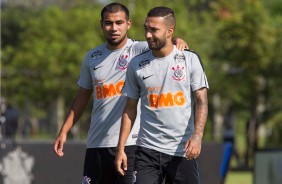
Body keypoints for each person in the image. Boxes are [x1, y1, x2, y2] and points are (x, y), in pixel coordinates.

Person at [53, 3, 188, 184]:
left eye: (119, 23)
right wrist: (64, 131)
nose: (114, 28)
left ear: (128, 24)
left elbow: (162, 40)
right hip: (96, 143)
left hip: (130, 145)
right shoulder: (92, 57)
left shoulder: (140, 50)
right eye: (109, 23)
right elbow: (82, 97)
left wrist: (177, 39)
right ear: (101, 24)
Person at [115, 6, 208, 184]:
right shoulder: (136, 65)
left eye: (154, 30)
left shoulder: (190, 59)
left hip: (181, 151)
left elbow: (201, 101)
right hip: (146, 151)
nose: (148, 35)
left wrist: (197, 137)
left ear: (169, 31)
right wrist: (121, 149)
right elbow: (129, 109)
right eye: (146, 29)